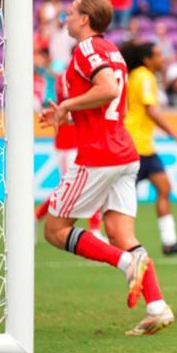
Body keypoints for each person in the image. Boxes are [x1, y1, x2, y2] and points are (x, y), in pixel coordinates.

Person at [38, 0, 173, 335]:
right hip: (124, 152)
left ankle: (127, 263)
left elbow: (109, 89)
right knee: (118, 231)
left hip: (99, 155)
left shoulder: (87, 49)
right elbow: (116, 106)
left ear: (85, 19)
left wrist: (67, 106)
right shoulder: (111, 50)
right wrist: (68, 116)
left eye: (70, 13)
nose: (66, 18)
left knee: (54, 230)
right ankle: (157, 306)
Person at [121, 41, 177, 255]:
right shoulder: (144, 76)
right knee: (124, 197)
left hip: (143, 144)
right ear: (147, 59)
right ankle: (120, 240)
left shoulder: (139, 75)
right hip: (135, 145)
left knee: (163, 187)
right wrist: (176, 135)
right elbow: (151, 110)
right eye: (158, 54)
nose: (163, 58)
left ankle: (169, 241)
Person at [36, 72, 103, 240]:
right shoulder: (68, 76)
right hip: (69, 140)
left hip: (82, 137)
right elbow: (71, 103)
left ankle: (95, 230)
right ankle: (35, 218)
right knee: (71, 186)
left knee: (86, 183)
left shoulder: (82, 75)